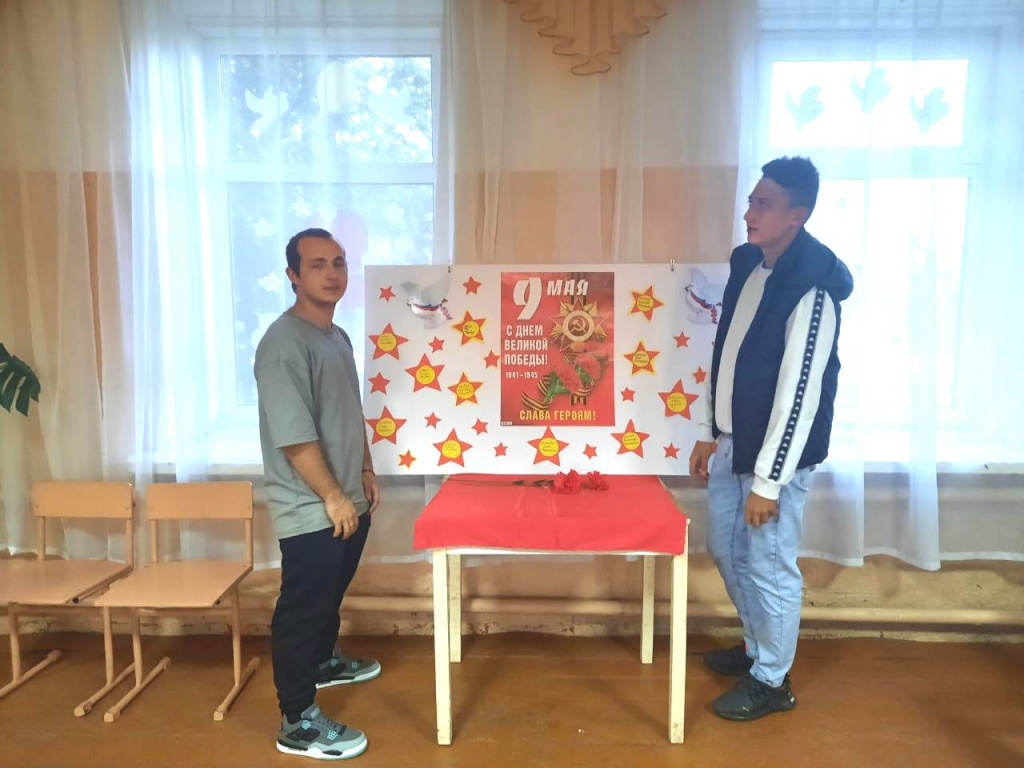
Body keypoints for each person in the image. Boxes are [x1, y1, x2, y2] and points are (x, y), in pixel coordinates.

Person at [689, 157, 853, 721]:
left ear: (796, 215)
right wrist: (709, 430)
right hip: (732, 441)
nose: (749, 213)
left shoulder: (813, 288)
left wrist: (769, 482)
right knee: (726, 549)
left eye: (763, 204)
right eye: (751, 201)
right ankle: (758, 645)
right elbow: (726, 353)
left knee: (768, 563)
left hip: (774, 461)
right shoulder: (749, 265)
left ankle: (773, 680)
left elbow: (799, 391)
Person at [255, 227, 382, 759]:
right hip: (312, 507)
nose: (332, 273)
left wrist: (365, 470)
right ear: (292, 275)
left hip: (347, 497)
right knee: (302, 609)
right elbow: (295, 435)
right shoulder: (283, 344)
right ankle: (297, 722)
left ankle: (323, 662)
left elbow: (349, 411)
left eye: (339, 262)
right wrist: (332, 496)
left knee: (330, 595)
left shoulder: (337, 336)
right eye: (317, 264)